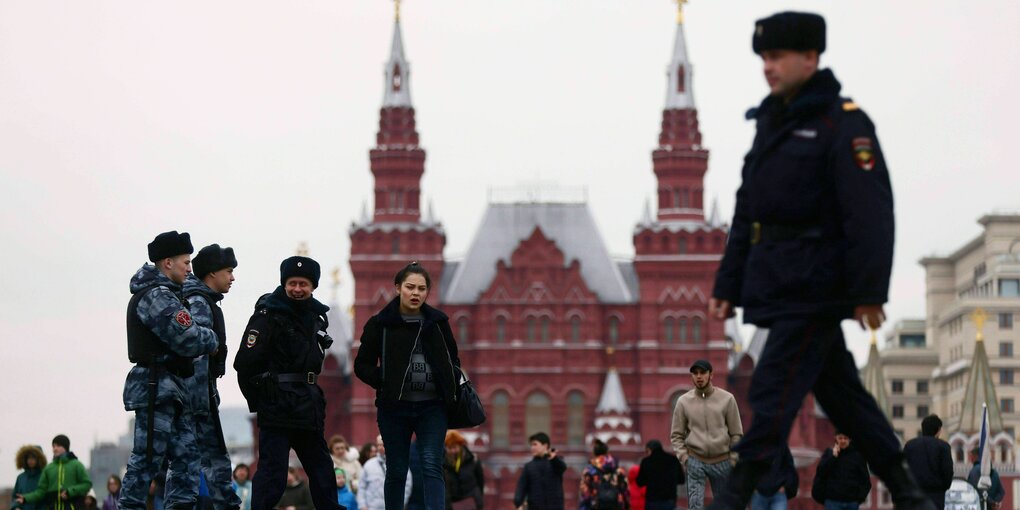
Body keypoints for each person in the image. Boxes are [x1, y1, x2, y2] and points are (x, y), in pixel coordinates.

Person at [707, 11, 932, 510]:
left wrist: (869, 291)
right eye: (763, 57)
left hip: (815, 284)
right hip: (776, 281)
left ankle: (734, 494)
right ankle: (908, 488)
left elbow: (870, 210)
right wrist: (728, 281)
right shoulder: (771, 122)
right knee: (844, 397)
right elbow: (748, 209)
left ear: (810, 58)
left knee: (772, 384)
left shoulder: (843, 122)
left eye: (778, 56)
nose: (768, 66)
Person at [233, 255, 344, 510]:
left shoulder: (317, 317)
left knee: (322, 471)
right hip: (277, 408)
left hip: (307, 406)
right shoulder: (268, 315)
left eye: (303, 284)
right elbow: (245, 362)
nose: (297, 289)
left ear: (313, 286)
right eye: (292, 283)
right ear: (284, 283)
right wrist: (262, 397)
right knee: (273, 476)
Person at [119, 231, 220, 510]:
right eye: (185, 262)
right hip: (155, 388)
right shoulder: (157, 297)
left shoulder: (170, 296)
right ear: (167, 263)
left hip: (173, 388)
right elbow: (187, 338)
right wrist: (210, 339)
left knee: (188, 458)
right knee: (147, 460)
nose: (190, 268)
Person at [354, 262, 461, 510]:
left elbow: (453, 359)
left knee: (432, 464)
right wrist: (384, 380)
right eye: (410, 287)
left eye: (421, 288)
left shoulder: (438, 322)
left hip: (432, 407)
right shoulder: (380, 324)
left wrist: (450, 385)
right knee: (397, 469)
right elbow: (362, 364)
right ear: (398, 288)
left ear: (427, 292)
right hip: (395, 408)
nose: (416, 293)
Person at [183, 244, 241, 510]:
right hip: (198, 399)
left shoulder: (200, 300)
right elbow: (197, 355)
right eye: (228, 271)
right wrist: (200, 403)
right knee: (214, 461)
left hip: (199, 395)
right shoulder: (200, 303)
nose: (232, 277)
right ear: (211, 274)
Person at [670, 360, 742, 510]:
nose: (699, 376)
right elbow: (676, 435)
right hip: (695, 460)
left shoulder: (727, 399)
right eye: (695, 373)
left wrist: (733, 460)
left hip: (723, 460)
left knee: (726, 506)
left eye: (703, 373)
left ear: (711, 375)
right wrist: (685, 458)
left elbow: (736, 433)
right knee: (695, 507)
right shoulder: (683, 402)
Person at [16, 435, 93, 509]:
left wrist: (70, 492)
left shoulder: (76, 465)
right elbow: (41, 492)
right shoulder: (48, 469)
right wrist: (26, 498)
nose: (55, 449)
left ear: (66, 447)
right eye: (53, 446)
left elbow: (87, 484)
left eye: (58, 446)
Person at [903, 415, 953, 510]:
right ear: (938, 430)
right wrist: (943, 487)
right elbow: (948, 472)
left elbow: (904, 471)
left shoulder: (909, 446)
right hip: (936, 496)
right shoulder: (944, 447)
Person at [811, 433, 871, 510]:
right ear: (836, 438)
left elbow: (865, 479)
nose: (843, 441)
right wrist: (833, 457)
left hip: (851, 502)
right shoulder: (829, 453)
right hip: (832, 502)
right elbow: (821, 472)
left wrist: (859, 498)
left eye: (845, 438)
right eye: (840, 438)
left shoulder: (858, 456)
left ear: (850, 439)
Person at [358, 435, 412, 510]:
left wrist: (401, 503)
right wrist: (362, 505)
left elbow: (407, 486)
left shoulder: (400, 463)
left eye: (383, 444)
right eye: (378, 445)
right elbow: (361, 487)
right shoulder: (368, 465)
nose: (380, 447)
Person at [513, 433, 566, 510]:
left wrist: (554, 458)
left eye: (535, 444)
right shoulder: (529, 467)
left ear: (545, 445)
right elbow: (521, 488)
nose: (532, 448)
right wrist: (518, 503)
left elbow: (562, 468)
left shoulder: (555, 462)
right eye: (531, 445)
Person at [579, 439, 629, 510]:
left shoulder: (589, 471)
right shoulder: (619, 471)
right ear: (607, 452)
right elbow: (626, 491)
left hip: (595, 506)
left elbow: (585, 493)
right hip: (616, 506)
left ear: (594, 453)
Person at [637, 440, 683, 510]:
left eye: (647, 451)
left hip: (652, 501)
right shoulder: (673, 460)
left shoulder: (646, 461)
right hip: (669, 500)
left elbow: (640, 482)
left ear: (650, 449)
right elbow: (681, 480)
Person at [443, 431, 484, 510]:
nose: (453, 451)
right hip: (451, 505)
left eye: (455, 447)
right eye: (450, 448)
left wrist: (479, 499)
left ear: (461, 446)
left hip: (472, 504)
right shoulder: (443, 464)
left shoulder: (473, 460)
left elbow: (480, 482)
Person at [12, 445, 46, 510]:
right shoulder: (21, 478)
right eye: (28, 457)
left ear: (39, 459)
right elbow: (15, 497)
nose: (30, 460)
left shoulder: (45, 475)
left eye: (33, 457)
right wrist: (16, 507)